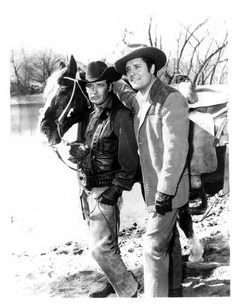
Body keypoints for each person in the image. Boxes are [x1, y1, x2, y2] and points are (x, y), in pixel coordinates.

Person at [113, 44, 190, 297]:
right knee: (171, 239)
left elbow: (176, 151)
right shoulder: (141, 99)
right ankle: (175, 290)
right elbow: (124, 92)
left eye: (137, 67)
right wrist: (106, 77)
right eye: (128, 69)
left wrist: (164, 193)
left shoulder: (171, 99)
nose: (132, 73)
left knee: (153, 246)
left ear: (153, 68)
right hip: (155, 188)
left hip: (169, 189)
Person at [68, 61, 139, 298]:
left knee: (99, 249)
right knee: (108, 242)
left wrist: (114, 191)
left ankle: (129, 291)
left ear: (109, 85)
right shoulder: (90, 114)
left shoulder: (121, 115)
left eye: (99, 85)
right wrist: (77, 151)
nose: (94, 91)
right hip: (86, 186)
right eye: (90, 87)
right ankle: (114, 282)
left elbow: (130, 163)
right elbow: (91, 146)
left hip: (105, 188)